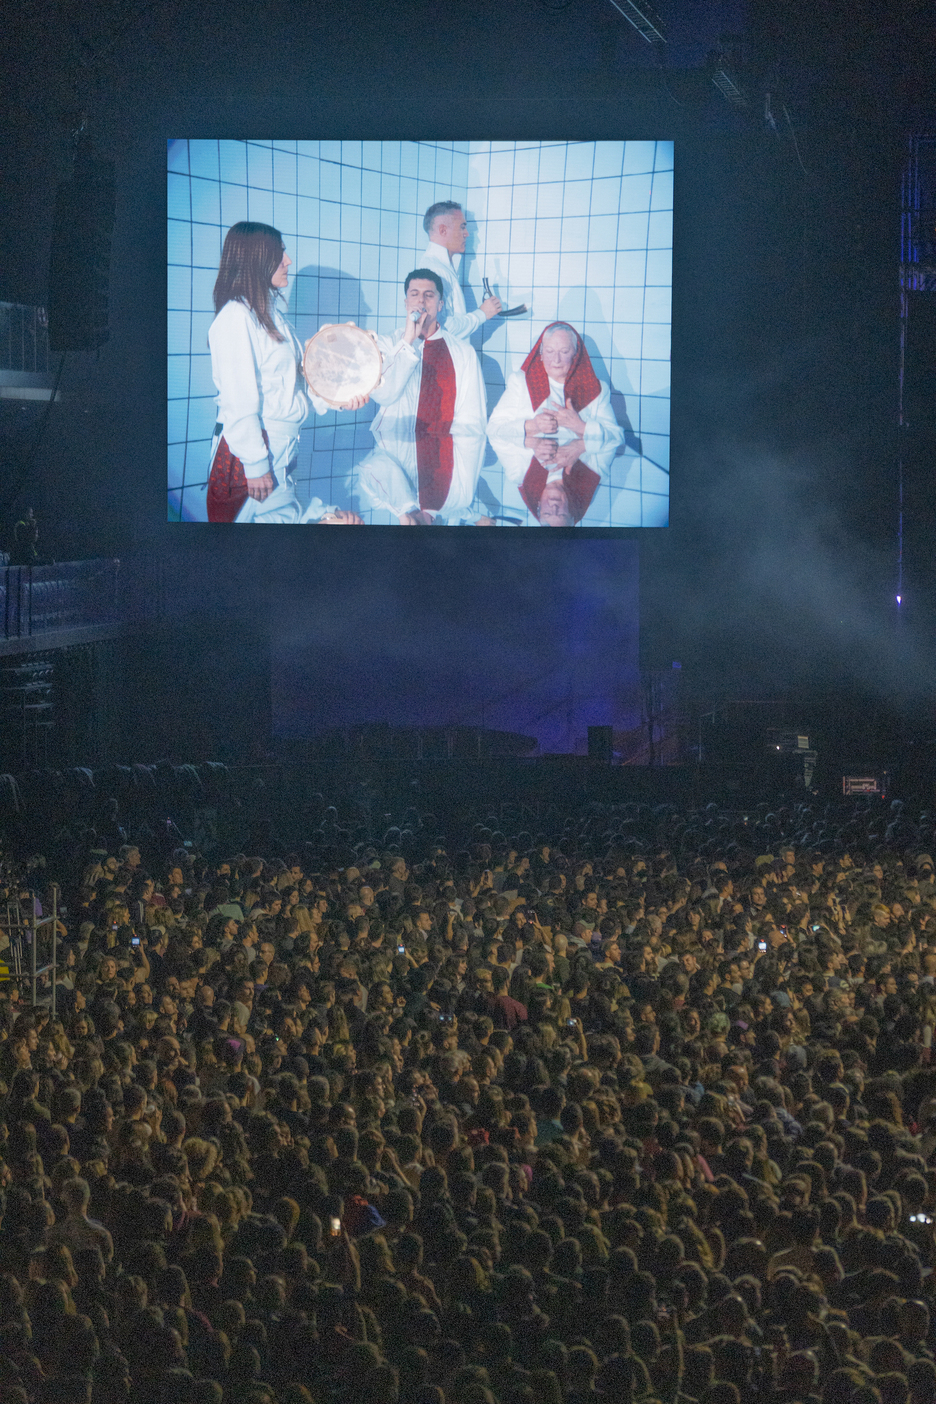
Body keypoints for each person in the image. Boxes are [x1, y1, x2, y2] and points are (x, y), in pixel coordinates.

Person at [206, 221, 366, 524]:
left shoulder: (271, 317)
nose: (288, 261)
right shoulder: (236, 317)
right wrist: (255, 465)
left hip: (278, 448)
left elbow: (292, 389)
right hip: (253, 453)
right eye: (280, 253)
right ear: (256, 258)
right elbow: (237, 401)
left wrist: (340, 398)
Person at [355, 269, 488, 522]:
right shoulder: (385, 345)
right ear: (406, 303)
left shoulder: (463, 353)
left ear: (440, 304)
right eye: (414, 294)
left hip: (447, 450)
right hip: (391, 441)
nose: (420, 301)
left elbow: (474, 421)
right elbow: (384, 394)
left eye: (429, 295)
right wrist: (408, 340)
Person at [486, 322, 625, 524]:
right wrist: (531, 426)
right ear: (541, 353)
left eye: (564, 351)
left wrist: (581, 427)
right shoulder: (521, 382)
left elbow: (618, 437)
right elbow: (493, 429)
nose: (556, 360)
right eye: (550, 351)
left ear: (575, 354)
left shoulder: (596, 388)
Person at [420, 201, 501, 339]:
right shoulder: (436, 271)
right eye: (462, 227)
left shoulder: (441, 266)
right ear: (443, 230)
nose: (467, 234)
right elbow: (442, 327)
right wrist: (482, 314)